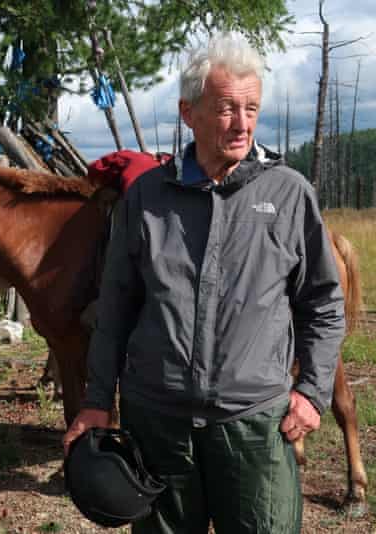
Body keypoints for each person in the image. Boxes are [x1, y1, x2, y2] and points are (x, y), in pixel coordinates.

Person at [62, 34, 346, 533]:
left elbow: (322, 302)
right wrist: (97, 399)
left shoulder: (288, 194)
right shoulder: (147, 198)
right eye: (226, 109)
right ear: (188, 112)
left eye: (251, 108)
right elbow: (116, 308)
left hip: (254, 424)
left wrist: (312, 391)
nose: (242, 124)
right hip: (159, 424)